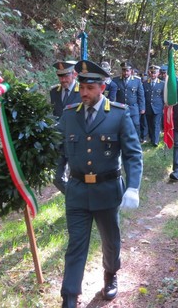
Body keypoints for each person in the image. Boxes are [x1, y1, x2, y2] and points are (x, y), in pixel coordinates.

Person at [57, 60, 143, 308]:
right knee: (76, 245)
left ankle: (110, 274)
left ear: (103, 88)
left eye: (90, 88)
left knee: (110, 239)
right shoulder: (69, 115)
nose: (84, 92)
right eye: (82, 87)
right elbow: (55, 143)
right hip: (77, 190)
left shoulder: (118, 113)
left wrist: (133, 187)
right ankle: (70, 296)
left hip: (107, 189)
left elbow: (133, 154)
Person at [50, 61, 82, 194]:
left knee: (78, 176)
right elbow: (53, 114)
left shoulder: (83, 91)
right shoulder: (54, 92)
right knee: (57, 178)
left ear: (74, 74)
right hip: (60, 141)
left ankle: (80, 202)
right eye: (60, 76)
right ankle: (73, 197)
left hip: (77, 141)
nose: (63, 80)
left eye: (66, 76)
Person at [112, 61, 145, 138]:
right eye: (124, 70)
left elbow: (141, 95)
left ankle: (136, 142)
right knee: (121, 126)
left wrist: (142, 108)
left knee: (136, 124)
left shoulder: (137, 81)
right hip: (120, 108)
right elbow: (113, 95)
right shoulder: (116, 80)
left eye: (127, 70)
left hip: (133, 107)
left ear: (131, 71)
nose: (125, 73)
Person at [142, 65, 164, 146]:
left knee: (156, 124)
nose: (153, 74)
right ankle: (152, 138)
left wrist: (164, 107)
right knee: (150, 124)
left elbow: (163, 96)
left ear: (158, 73)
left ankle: (156, 141)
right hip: (148, 108)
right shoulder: (145, 83)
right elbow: (143, 96)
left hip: (158, 108)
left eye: (155, 73)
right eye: (151, 72)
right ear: (149, 73)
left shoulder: (162, 84)